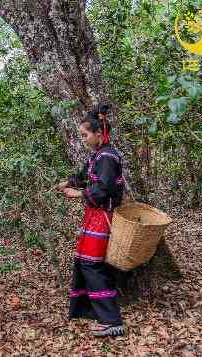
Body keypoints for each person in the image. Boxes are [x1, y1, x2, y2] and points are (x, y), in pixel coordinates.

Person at [57, 104, 126, 337]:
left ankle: (112, 320)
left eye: (85, 135)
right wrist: (68, 183)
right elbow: (83, 174)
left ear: (99, 133)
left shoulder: (107, 156)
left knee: (91, 263)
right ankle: (94, 312)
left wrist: (78, 193)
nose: (83, 139)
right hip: (93, 216)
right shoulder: (97, 155)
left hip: (103, 215)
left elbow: (104, 188)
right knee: (86, 261)